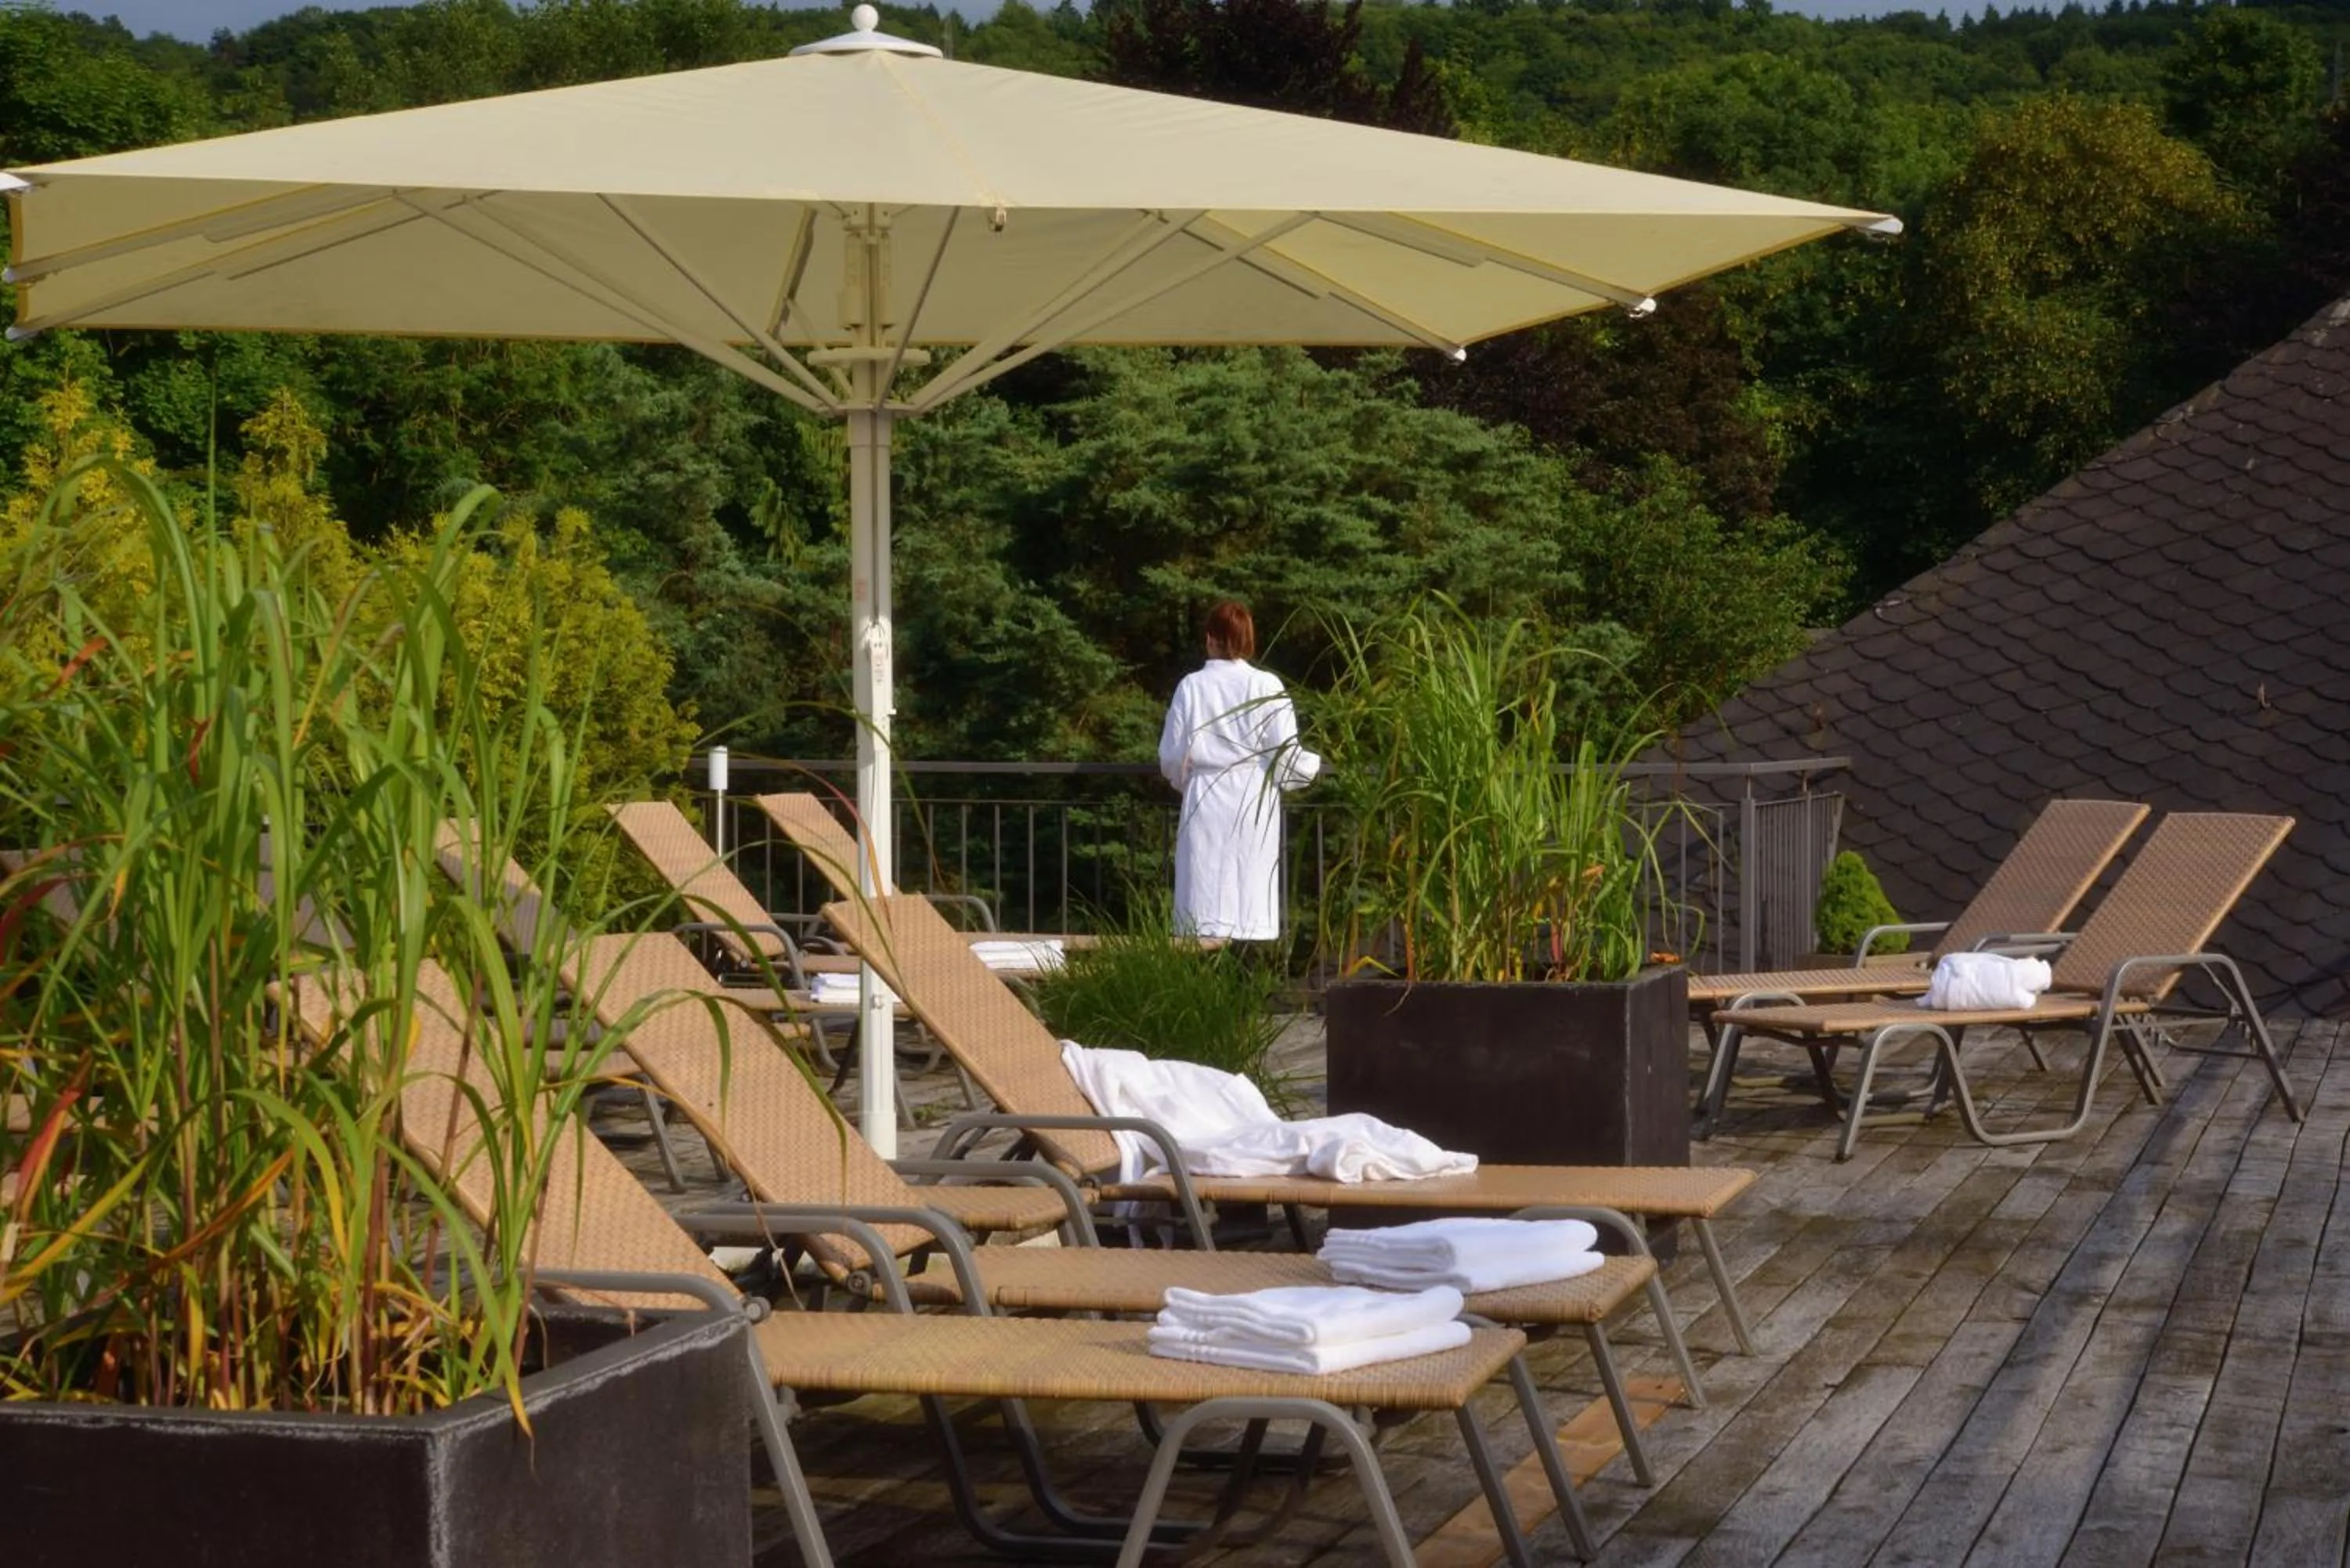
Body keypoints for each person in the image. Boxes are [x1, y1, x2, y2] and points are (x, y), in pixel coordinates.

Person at [1159, 600, 1321, 941]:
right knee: (1247, 890)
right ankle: (1245, 978)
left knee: (1202, 896)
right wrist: (1312, 766)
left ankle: (1204, 982)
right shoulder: (1266, 685)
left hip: (1205, 798)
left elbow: (1172, 755)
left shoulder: (1192, 686)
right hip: (1253, 798)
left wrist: (1184, 780)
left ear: (1210, 638)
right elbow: (1285, 754)